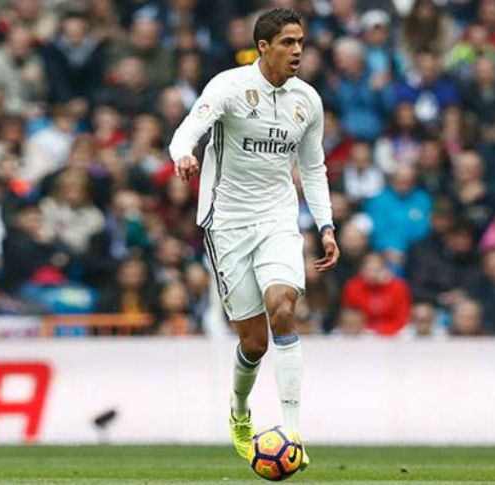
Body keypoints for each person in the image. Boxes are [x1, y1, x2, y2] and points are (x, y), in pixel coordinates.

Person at [168, 8, 340, 471]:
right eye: (287, 42)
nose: (298, 51)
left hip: (278, 219)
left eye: (301, 42)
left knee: (283, 306)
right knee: (255, 343)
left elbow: (313, 168)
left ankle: (292, 432)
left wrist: (326, 226)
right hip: (226, 221)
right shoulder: (229, 87)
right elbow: (187, 131)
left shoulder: (308, 100)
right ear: (263, 47)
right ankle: (240, 409)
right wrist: (183, 154)